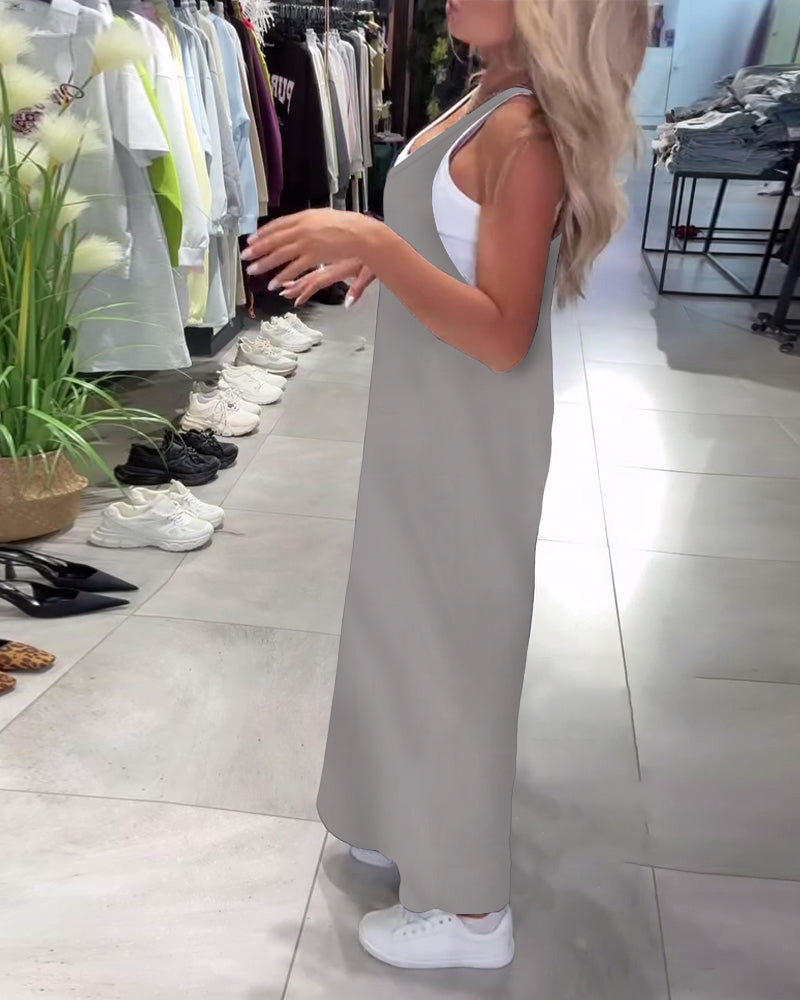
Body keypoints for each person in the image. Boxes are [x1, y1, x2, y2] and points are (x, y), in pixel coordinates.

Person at [241, 0, 649, 973]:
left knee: (458, 649)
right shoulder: (484, 96)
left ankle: (470, 912)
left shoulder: (524, 131)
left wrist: (381, 247)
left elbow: (503, 332)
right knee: (403, 623)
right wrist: (396, 256)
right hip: (427, 413)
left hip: (472, 429)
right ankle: (400, 814)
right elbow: (457, 249)